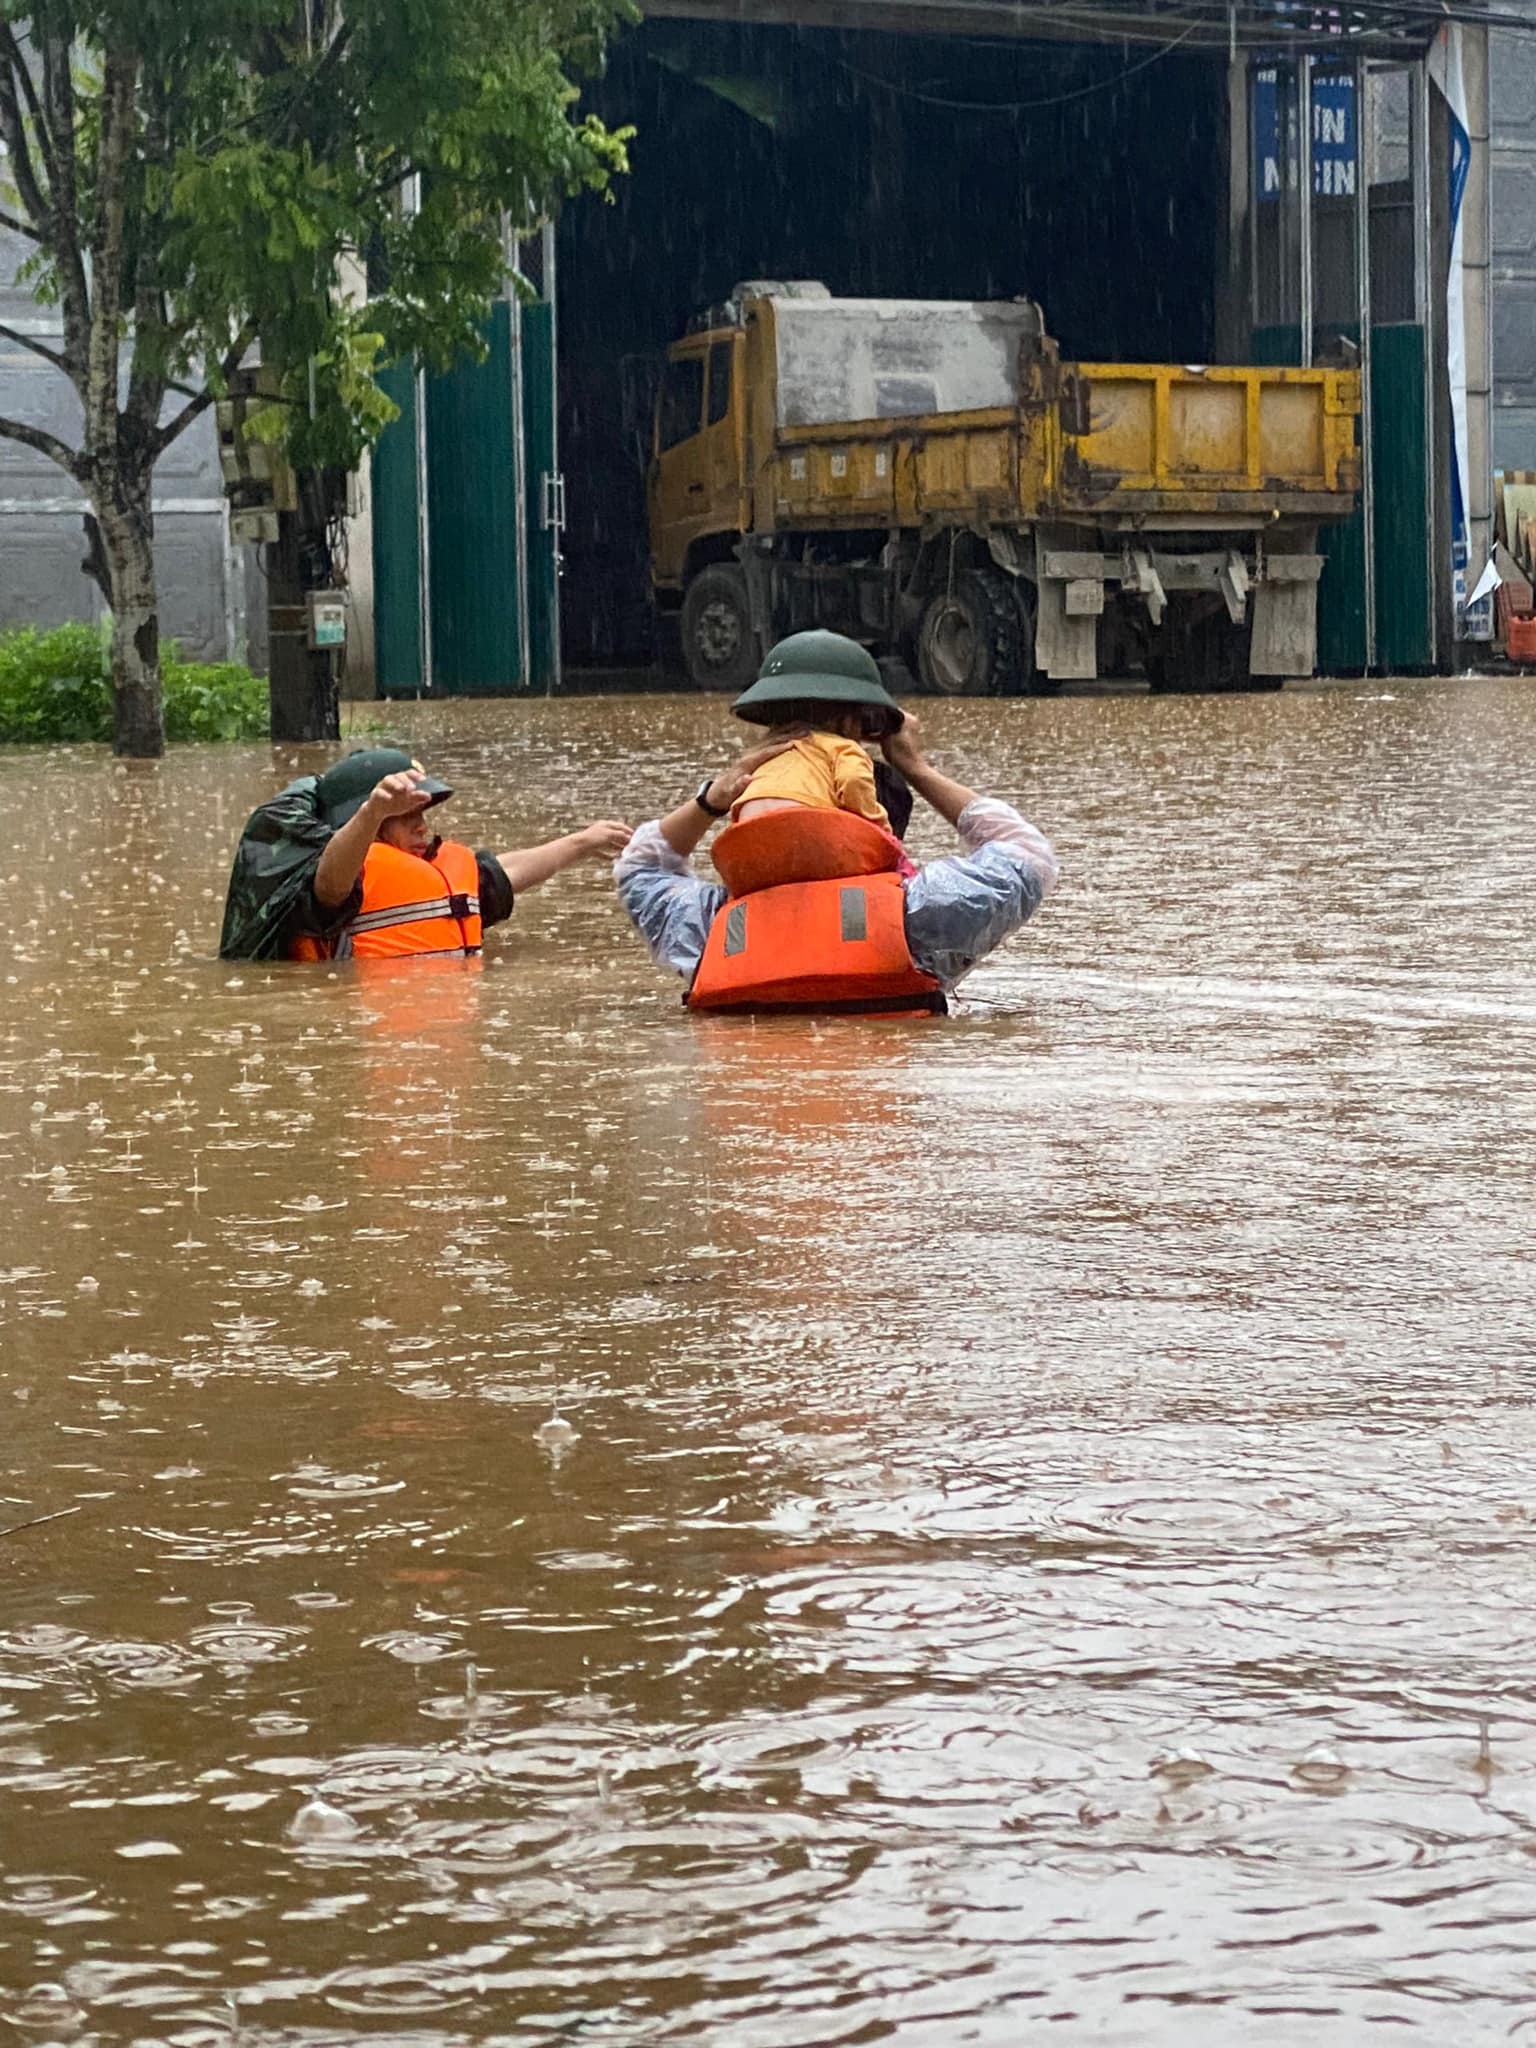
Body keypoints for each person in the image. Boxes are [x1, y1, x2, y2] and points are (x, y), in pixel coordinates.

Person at [615, 634, 1059, 1015]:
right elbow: (1028, 855)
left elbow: (639, 866)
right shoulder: (920, 917)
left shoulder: (711, 930)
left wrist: (711, 801)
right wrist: (917, 768)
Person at [218, 746, 628, 962]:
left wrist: (581, 842)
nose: (422, 826)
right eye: (406, 816)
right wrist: (373, 811)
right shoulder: (337, 885)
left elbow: (502, 873)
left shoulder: (433, 871)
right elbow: (329, 885)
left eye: (423, 813)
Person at [728, 631, 900, 832]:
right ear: (846, 721)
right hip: (807, 825)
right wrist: (880, 827)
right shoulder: (843, 748)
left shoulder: (760, 756)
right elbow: (854, 780)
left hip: (747, 827)